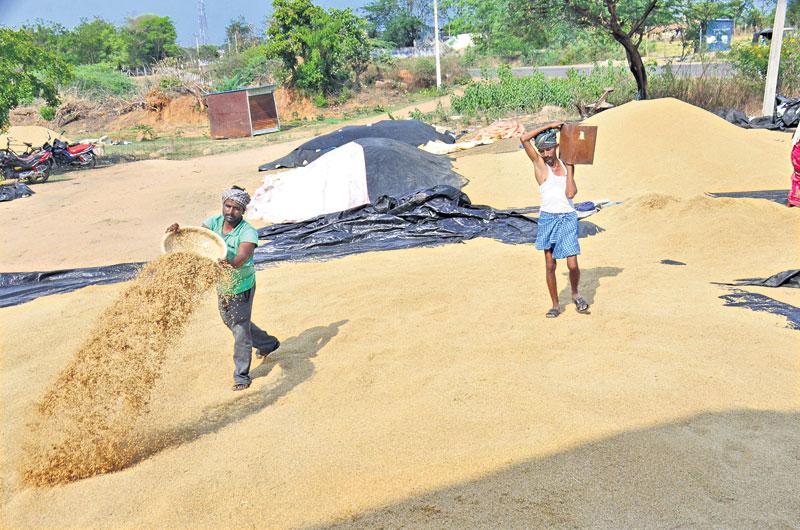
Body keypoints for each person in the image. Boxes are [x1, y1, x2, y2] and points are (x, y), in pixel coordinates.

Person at [167, 186, 280, 391]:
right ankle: (267, 343)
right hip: (223, 285)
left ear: (243, 210)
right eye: (227, 206)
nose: (230, 211)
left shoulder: (247, 232)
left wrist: (222, 257)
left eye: (236, 208)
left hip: (241, 286)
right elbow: (198, 239)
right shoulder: (213, 223)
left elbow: (240, 258)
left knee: (239, 330)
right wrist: (179, 231)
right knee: (232, 322)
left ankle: (242, 376)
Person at [520, 122, 590, 318]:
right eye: (541, 150)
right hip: (548, 218)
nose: (545, 154)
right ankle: (555, 305)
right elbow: (524, 139)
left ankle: (575, 293)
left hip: (568, 217)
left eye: (548, 149)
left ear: (556, 146)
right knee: (550, 265)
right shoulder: (540, 166)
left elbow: (571, 192)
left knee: (572, 265)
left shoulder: (568, 165)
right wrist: (550, 125)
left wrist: (569, 165)